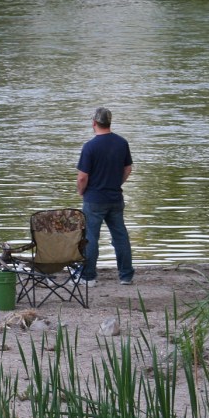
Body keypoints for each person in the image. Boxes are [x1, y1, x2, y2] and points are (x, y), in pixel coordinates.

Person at [76, 107, 134, 286]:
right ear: (109, 122)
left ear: (94, 122)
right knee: (120, 236)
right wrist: (117, 184)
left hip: (94, 199)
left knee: (91, 237)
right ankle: (126, 276)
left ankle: (88, 276)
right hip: (115, 198)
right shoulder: (121, 143)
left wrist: (81, 191)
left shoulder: (90, 146)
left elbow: (82, 177)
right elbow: (128, 169)